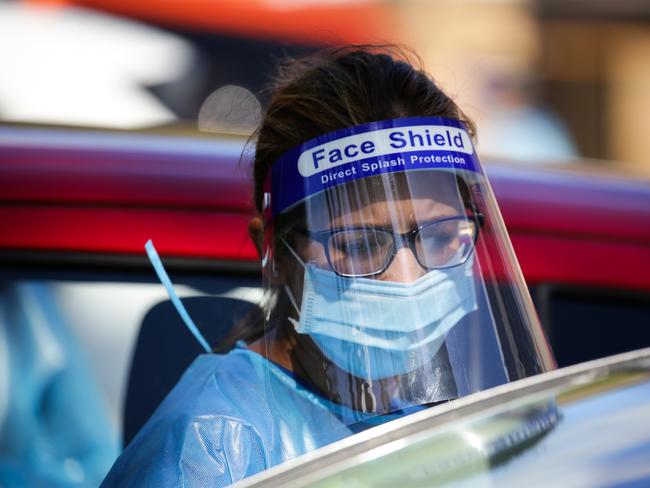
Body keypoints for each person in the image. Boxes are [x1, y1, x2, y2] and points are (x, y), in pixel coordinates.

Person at [101, 46, 555, 487]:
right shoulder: (217, 444)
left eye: (438, 238)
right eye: (358, 246)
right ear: (274, 252)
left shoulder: (451, 419)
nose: (407, 277)